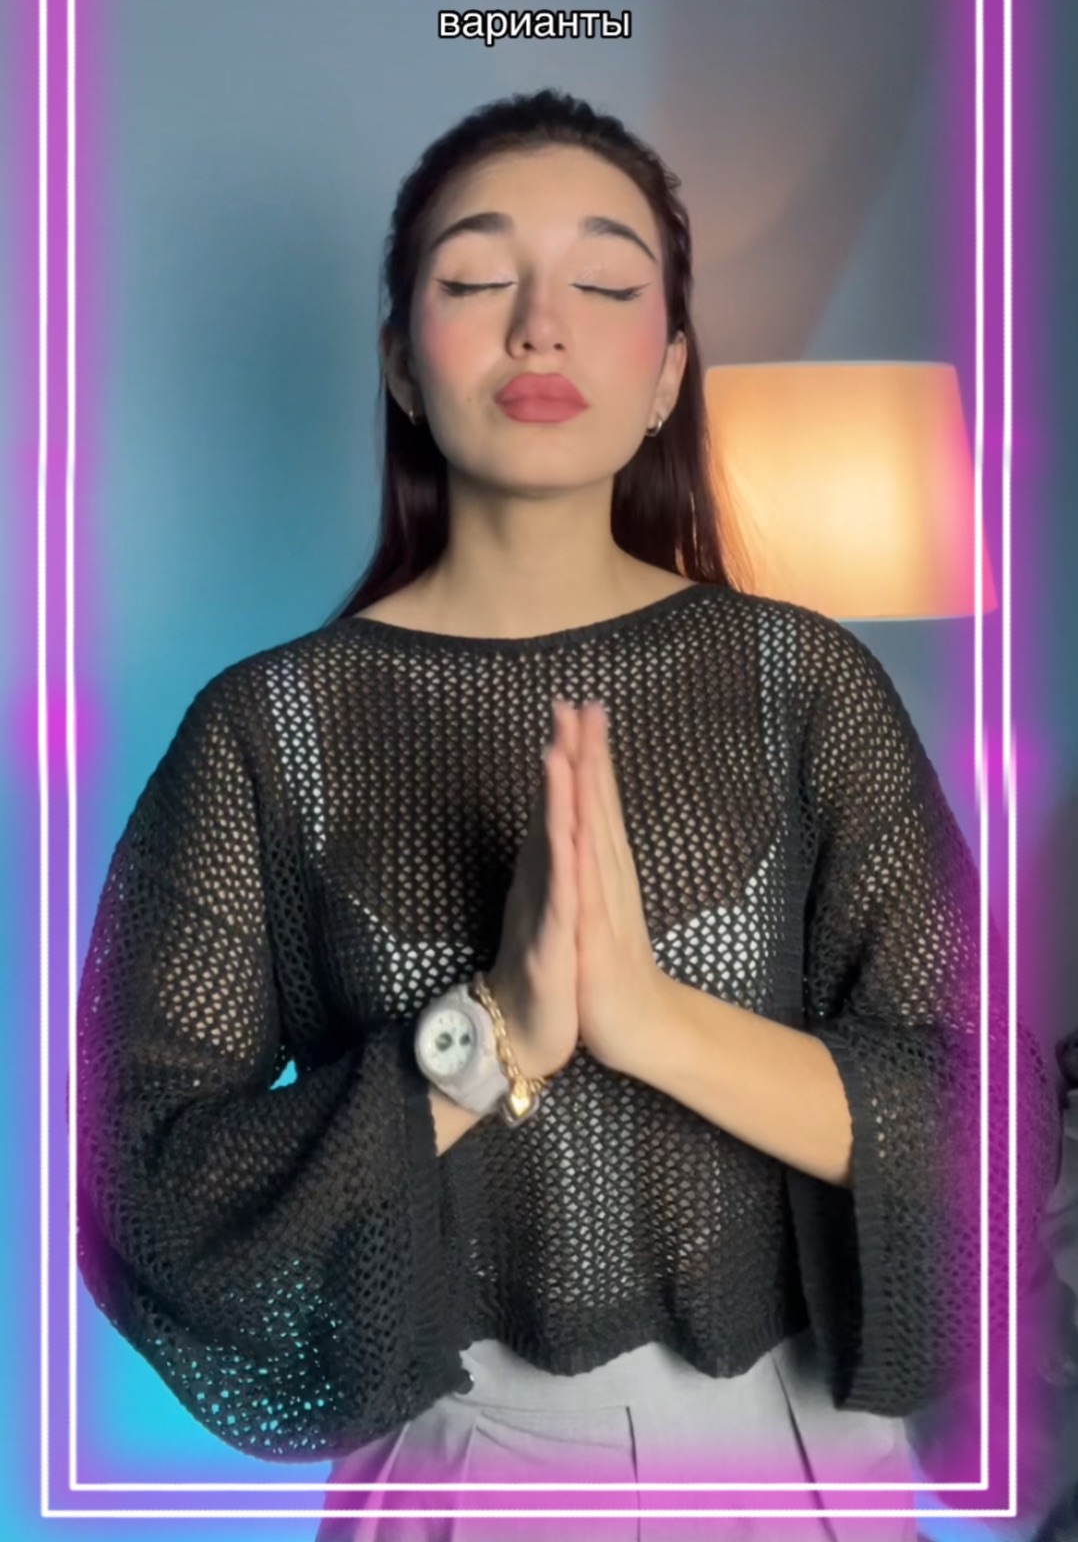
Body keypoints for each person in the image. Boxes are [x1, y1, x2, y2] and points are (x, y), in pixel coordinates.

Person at [75, 89, 1060, 1542]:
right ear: (400, 362)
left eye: (603, 285)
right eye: (478, 280)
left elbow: (991, 1122)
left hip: (803, 1462)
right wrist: (488, 1040)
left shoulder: (805, 687)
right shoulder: (270, 731)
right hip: (468, 1469)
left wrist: (649, 1020)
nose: (542, 328)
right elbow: (150, 1188)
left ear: (667, 372)